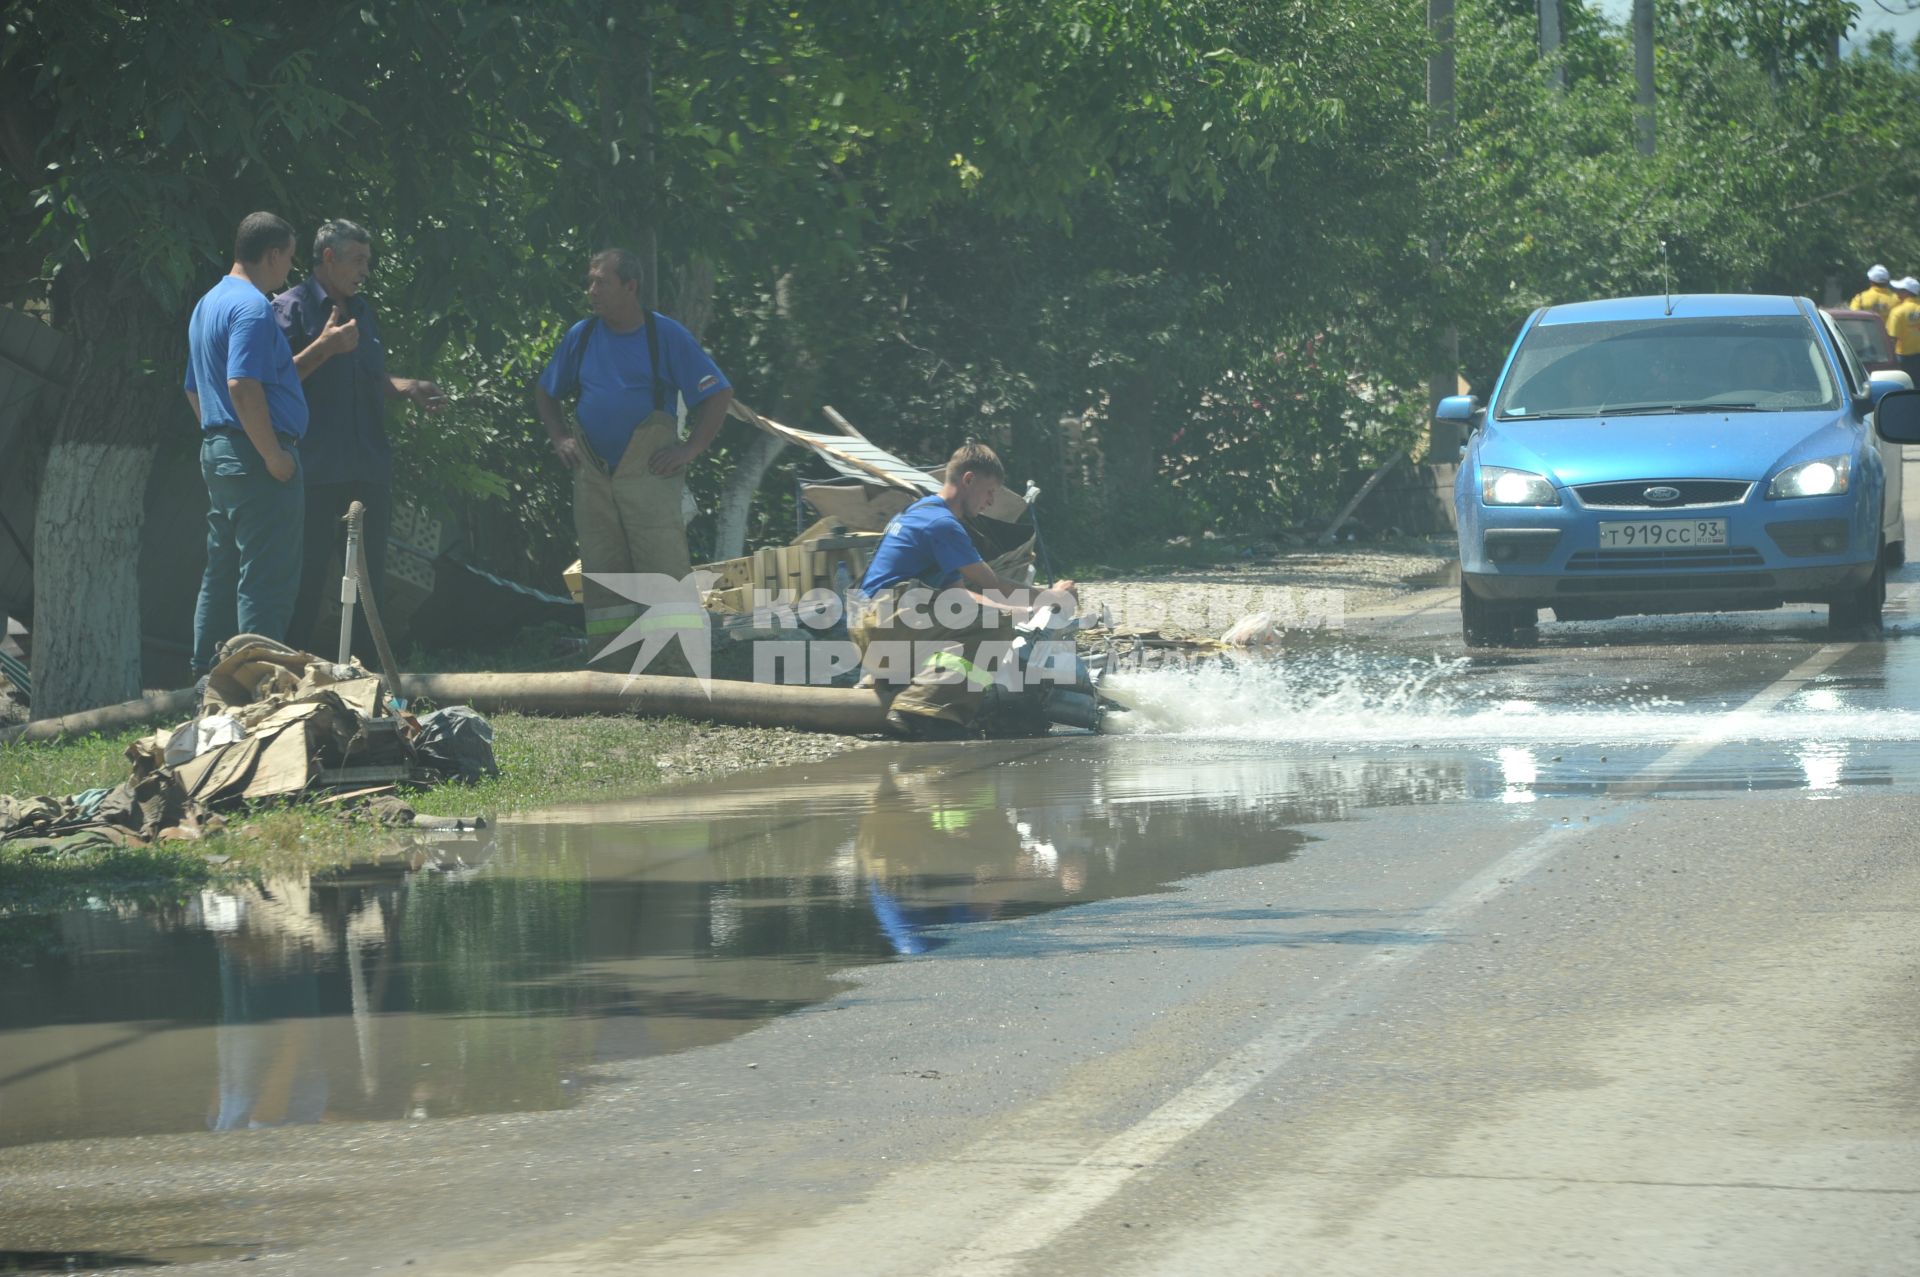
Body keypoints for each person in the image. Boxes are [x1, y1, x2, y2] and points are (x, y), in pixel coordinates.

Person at [533, 249, 734, 662]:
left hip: (649, 472)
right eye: (590, 281)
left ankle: (675, 669)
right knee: (603, 572)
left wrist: (689, 450)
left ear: (631, 287)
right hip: (593, 474)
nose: (592, 291)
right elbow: (546, 392)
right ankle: (612, 667)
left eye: (601, 282)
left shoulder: (666, 336)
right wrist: (559, 438)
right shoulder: (582, 335)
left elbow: (718, 394)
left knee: (661, 569)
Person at [276, 219, 447, 658]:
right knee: (305, 580)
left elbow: (369, 378)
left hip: (367, 469)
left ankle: (368, 679)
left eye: (368, 262)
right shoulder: (289, 309)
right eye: (357, 260)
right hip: (313, 471)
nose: (365, 271)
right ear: (328, 258)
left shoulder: (363, 311)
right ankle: (285, 680)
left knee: (368, 582)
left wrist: (407, 386)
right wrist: (325, 347)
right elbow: (273, 382)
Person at [850, 441, 1078, 739]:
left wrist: (1021, 610)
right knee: (996, 626)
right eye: (990, 491)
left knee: (986, 620)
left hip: (871, 626)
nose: (991, 501)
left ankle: (892, 683)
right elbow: (993, 585)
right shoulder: (943, 524)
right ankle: (925, 708)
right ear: (969, 480)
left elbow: (961, 595)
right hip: (885, 622)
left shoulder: (919, 511)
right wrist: (1050, 597)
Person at [183, 211, 308, 679]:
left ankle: (203, 681)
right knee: (266, 577)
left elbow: (194, 388)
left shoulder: (208, 304)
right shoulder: (253, 307)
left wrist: (223, 437)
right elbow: (242, 384)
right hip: (257, 456)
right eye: (289, 259)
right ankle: (256, 685)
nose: (289, 271)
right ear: (272, 254)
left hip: (219, 453)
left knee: (221, 570)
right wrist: (270, 453)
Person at [1889, 277, 1920, 385]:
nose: (1896, 292)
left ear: (1906, 292)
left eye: (1899, 290)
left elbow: (1892, 338)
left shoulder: (1898, 311)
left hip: (1903, 358)